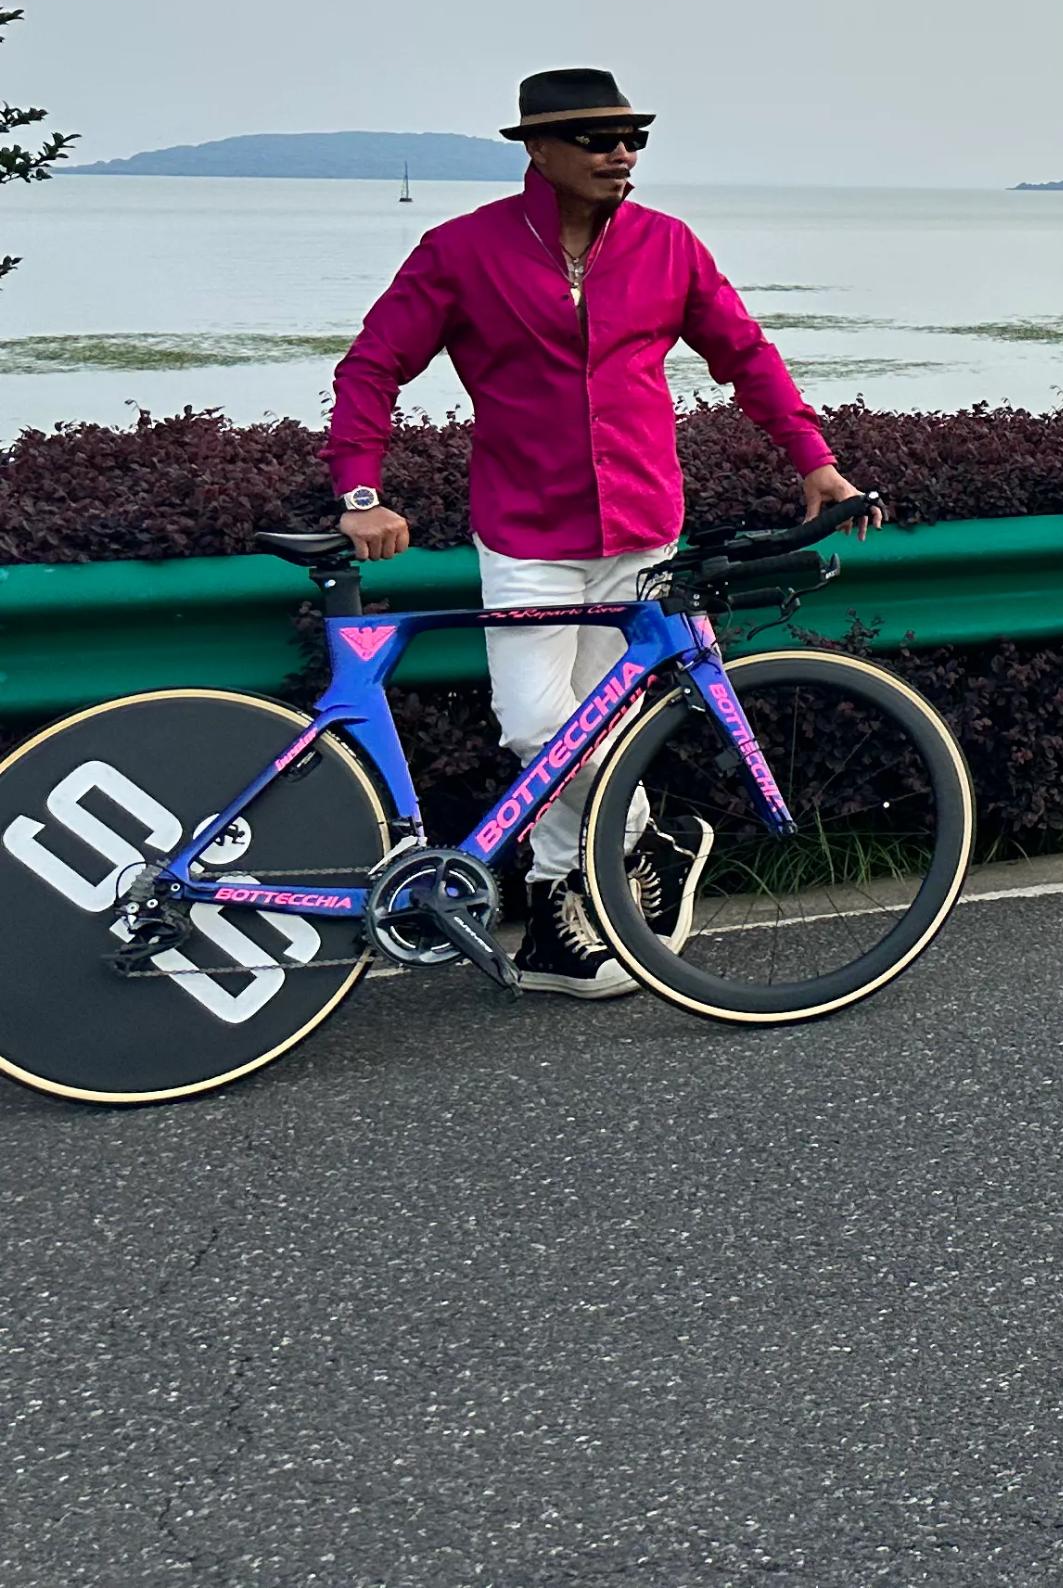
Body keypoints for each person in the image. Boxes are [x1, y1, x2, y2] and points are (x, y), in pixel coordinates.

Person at [327, 69, 871, 995]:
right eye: (594, 136)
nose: (619, 152)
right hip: (525, 533)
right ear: (536, 148)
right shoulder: (461, 251)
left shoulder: (669, 247)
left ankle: (553, 920)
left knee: (600, 721)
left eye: (632, 137)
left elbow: (744, 353)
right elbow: (372, 367)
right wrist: (360, 492)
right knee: (537, 724)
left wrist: (812, 458)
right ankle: (643, 835)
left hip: (643, 527)